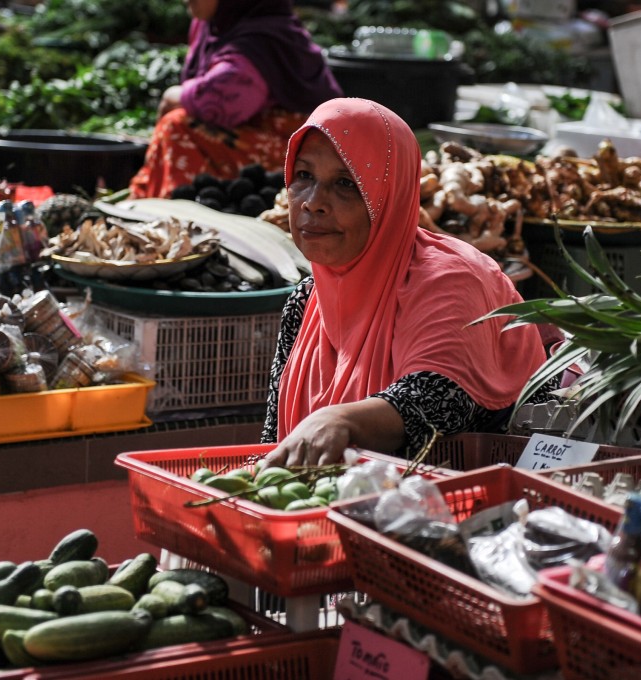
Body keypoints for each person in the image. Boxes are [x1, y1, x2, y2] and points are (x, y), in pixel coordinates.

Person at [260, 98, 548, 468]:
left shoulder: (450, 279)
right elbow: (274, 440)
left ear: (389, 195)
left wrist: (340, 419)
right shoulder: (306, 300)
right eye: (303, 176)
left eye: (346, 183)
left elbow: (439, 398)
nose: (313, 203)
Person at [128, 0, 343, 199]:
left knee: (176, 126)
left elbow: (224, 103)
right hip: (255, 137)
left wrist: (174, 96)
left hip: (300, 154)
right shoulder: (212, 25)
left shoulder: (259, 40)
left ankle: (179, 207)